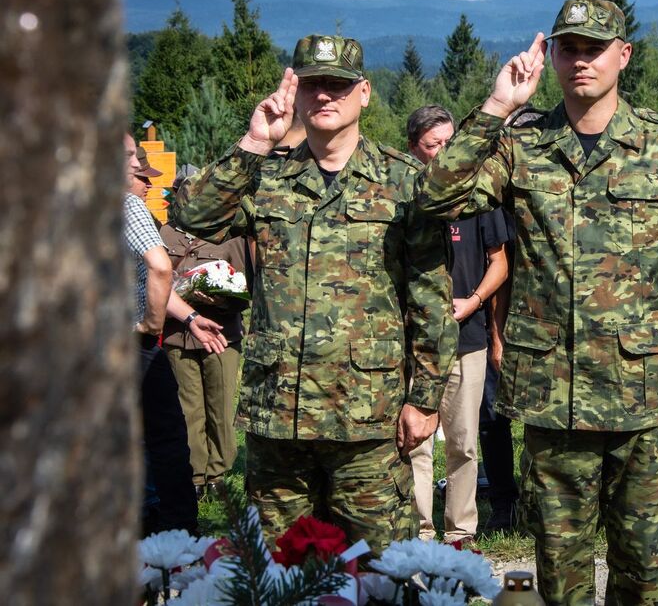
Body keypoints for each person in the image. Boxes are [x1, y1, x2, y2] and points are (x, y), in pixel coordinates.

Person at [415, 0, 658, 605]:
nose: (582, 60)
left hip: (645, 392)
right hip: (555, 399)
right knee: (560, 573)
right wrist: (499, 106)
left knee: (643, 567)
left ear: (623, 56)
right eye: (569, 47)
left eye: (595, 48)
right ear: (551, 56)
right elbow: (435, 195)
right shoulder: (519, 145)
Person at [171, 35, 457, 550]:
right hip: (278, 415)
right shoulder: (266, 178)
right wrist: (256, 142)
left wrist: (425, 399)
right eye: (312, 85)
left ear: (364, 93)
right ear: (296, 93)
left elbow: (431, 302)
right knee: (280, 574)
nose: (325, 96)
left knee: (380, 572)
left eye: (338, 85)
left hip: (368, 418)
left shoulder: (405, 181)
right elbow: (193, 216)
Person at [405, 105, 511, 544]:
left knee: (464, 441)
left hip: (467, 336)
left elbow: (499, 264)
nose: (446, 153)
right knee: (415, 442)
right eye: (435, 146)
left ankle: (460, 531)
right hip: (413, 341)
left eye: (451, 143)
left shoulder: (479, 197)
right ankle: (420, 532)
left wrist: (472, 303)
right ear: (415, 149)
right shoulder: (406, 198)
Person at [123, 134, 226, 535]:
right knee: (166, 438)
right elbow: (160, 268)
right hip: (133, 346)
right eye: (129, 156)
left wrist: (188, 317)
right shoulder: (126, 203)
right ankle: (174, 534)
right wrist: (149, 327)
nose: (137, 165)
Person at [160, 175, 250, 499]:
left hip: (221, 335)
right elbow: (156, 280)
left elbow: (245, 287)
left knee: (221, 407)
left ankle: (219, 474)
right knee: (188, 409)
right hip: (177, 335)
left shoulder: (231, 235)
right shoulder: (165, 234)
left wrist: (222, 297)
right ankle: (195, 476)